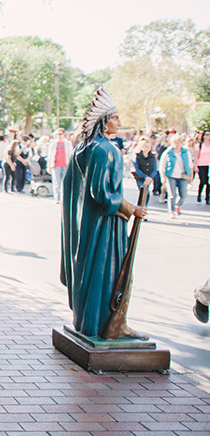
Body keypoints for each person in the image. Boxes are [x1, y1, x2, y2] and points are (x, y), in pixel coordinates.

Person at [61, 88, 147, 339]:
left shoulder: (84, 149)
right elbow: (102, 194)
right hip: (106, 226)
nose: (119, 122)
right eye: (115, 117)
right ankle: (110, 325)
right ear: (104, 121)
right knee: (110, 273)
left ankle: (91, 321)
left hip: (89, 224)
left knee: (93, 272)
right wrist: (132, 208)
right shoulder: (105, 149)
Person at [158, 133, 194, 220]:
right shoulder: (167, 152)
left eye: (179, 142)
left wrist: (191, 176)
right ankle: (172, 211)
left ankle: (178, 205)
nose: (177, 144)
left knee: (184, 194)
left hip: (183, 175)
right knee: (172, 195)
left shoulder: (186, 152)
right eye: (176, 142)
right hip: (171, 176)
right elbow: (162, 166)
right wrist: (163, 177)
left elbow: (190, 165)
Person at [48, 128, 73, 204]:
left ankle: (64, 198)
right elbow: (50, 155)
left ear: (63, 134)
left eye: (60, 134)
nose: (59, 136)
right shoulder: (53, 143)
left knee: (64, 182)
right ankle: (57, 198)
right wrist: (49, 166)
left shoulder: (68, 144)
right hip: (56, 165)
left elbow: (70, 155)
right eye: (58, 134)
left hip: (65, 164)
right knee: (56, 182)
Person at [132, 138, 158, 206]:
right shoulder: (137, 156)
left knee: (146, 192)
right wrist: (145, 177)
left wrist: (150, 178)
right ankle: (141, 207)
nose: (147, 148)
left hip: (149, 177)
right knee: (143, 192)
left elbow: (155, 169)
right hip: (140, 177)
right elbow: (136, 168)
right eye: (145, 146)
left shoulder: (152, 156)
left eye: (148, 147)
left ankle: (144, 207)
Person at [195, 130, 210, 205]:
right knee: (203, 181)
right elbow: (196, 157)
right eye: (207, 134)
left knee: (209, 183)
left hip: (209, 165)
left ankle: (207, 199)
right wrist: (195, 166)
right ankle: (199, 194)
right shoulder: (199, 145)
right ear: (203, 136)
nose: (208, 136)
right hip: (201, 165)